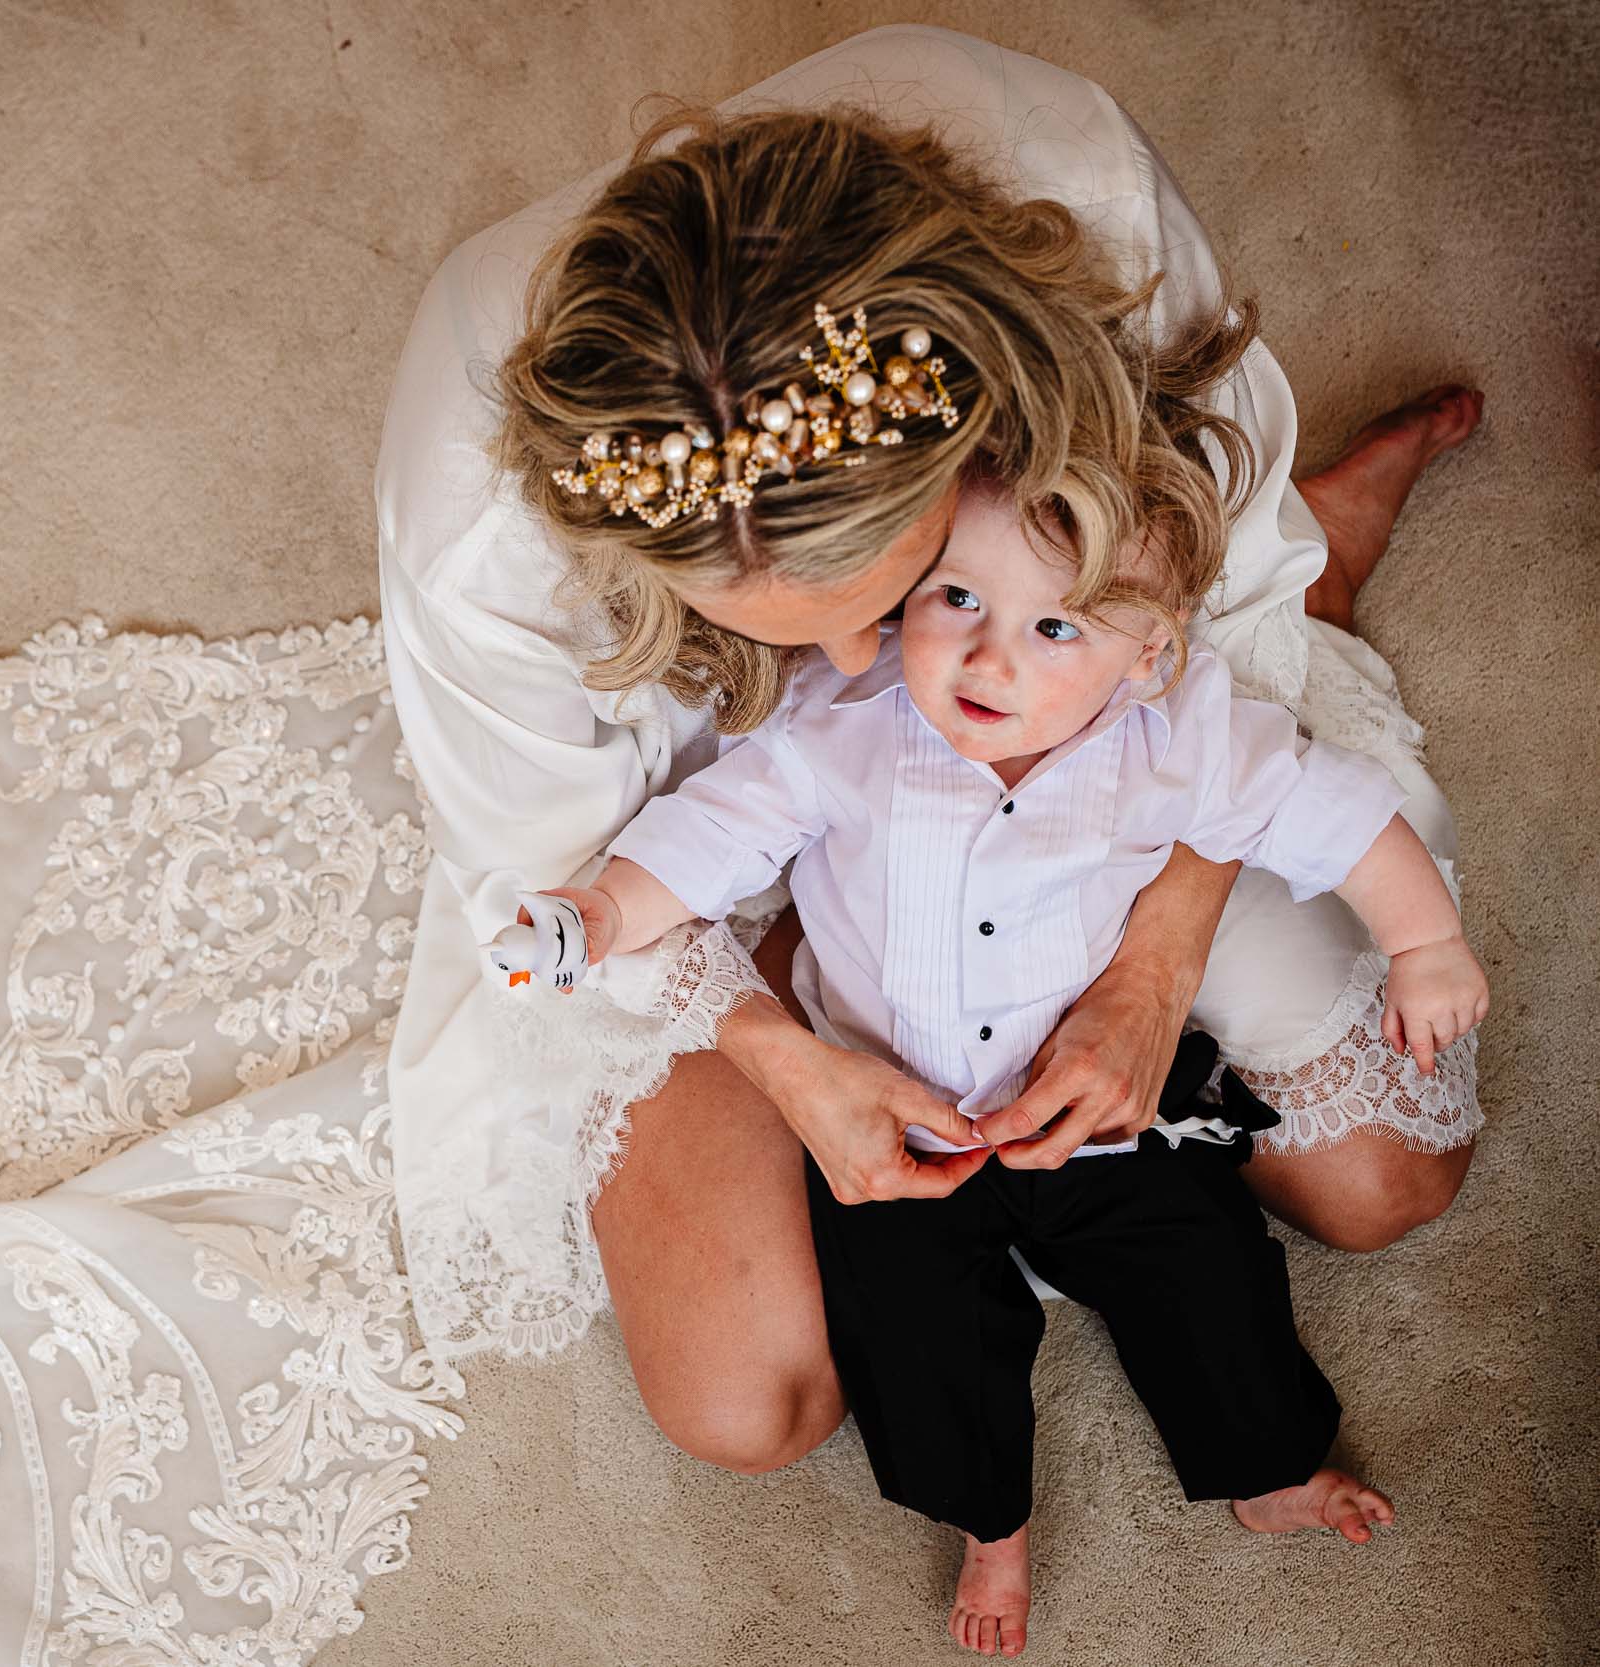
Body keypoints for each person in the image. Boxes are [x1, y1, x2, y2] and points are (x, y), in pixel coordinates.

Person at [377, 24, 1485, 1653]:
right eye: (776, 628)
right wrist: (786, 1056)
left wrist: (1151, 972)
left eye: (888, 599)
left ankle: (1322, 555)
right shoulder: (489, 539)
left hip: (1083, 735)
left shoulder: (1084, 216)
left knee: (1392, 1179)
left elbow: (1217, 655)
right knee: (750, 1403)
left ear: (993, 456)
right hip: (703, 846)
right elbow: (574, 874)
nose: (844, 680)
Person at [491, 466, 1486, 1653]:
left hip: (1091, 1095)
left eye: (1053, 627)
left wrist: (1424, 942)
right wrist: (602, 914)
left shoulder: (1180, 733)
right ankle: (990, 1524)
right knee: (914, 1337)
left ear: (1146, 656)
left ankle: (1265, 1460)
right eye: (956, 598)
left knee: (1207, 1265)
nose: (987, 659)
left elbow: (1338, 816)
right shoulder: (840, 720)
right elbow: (707, 838)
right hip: (896, 1113)